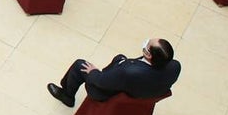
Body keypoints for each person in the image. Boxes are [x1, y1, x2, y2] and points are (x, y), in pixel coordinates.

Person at [47, 38, 180, 108]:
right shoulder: (175, 66)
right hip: (142, 90)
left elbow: (101, 81)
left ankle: (67, 96)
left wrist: (93, 72)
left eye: (148, 44)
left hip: (106, 93)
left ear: (148, 55)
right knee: (120, 57)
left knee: (79, 65)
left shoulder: (129, 72)